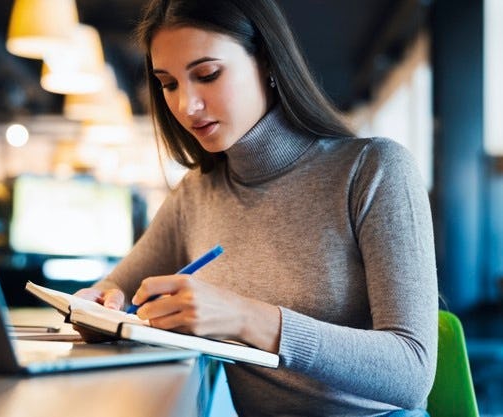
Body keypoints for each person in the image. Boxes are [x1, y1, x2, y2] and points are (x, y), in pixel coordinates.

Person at [74, 0, 438, 415]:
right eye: (169, 84)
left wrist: (244, 318)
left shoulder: (372, 169)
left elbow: (413, 372)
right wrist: (98, 307)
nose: (186, 106)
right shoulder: (195, 194)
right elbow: (114, 291)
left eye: (207, 74)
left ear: (266, 61)